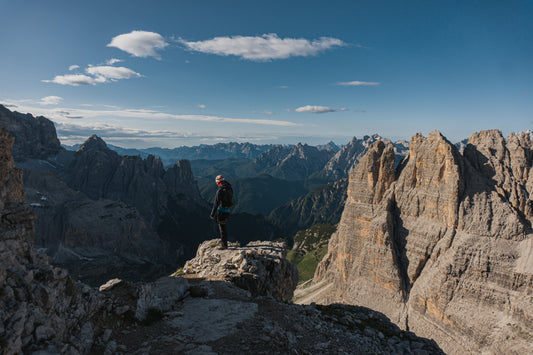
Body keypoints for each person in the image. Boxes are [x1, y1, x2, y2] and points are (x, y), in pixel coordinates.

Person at [210, 175, 233, 249]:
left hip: (222, 210)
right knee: (224, 226)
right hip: (228, 210)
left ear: (218, 183)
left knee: (222, 228)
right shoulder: (229, 187)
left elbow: (216, 203)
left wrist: (212, 214)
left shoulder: (220, 191)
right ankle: (224, 243)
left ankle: (224, 245)